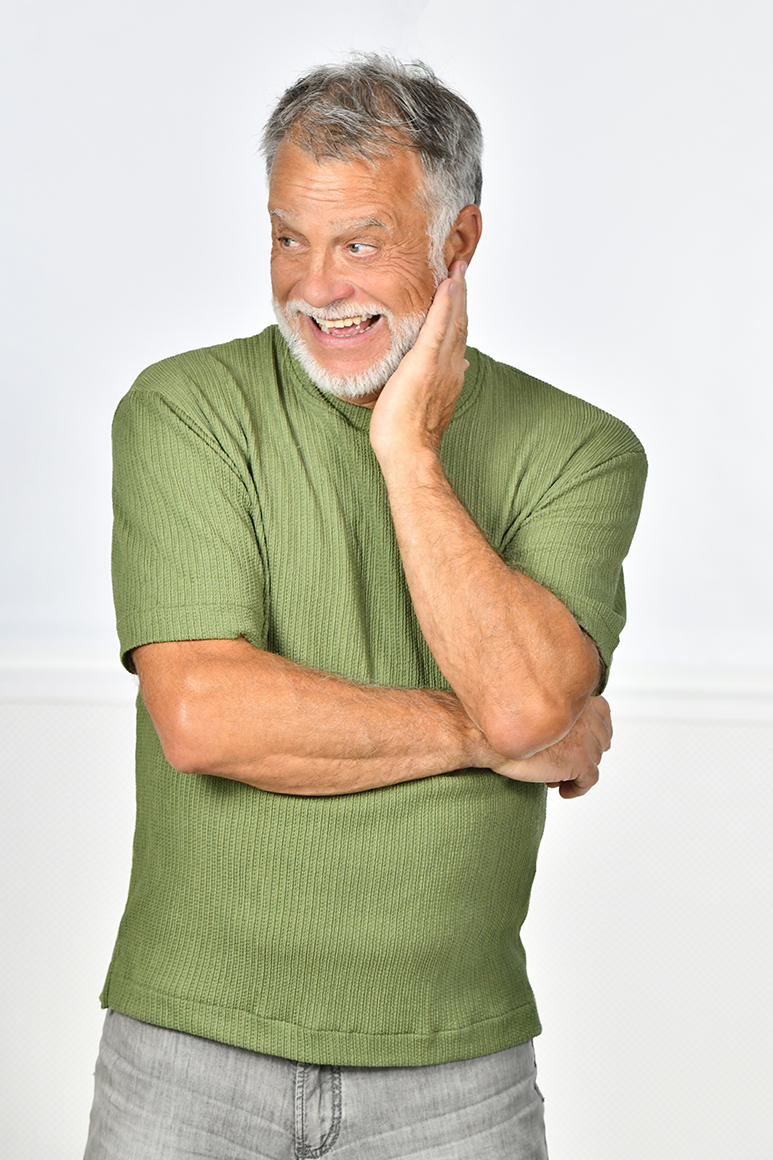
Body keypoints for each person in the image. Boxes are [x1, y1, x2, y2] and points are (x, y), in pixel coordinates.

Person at [84, 55, 646, 1160]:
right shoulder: (186, 409)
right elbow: (203, 715)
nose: (315, 284)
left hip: (458, 1076)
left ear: (458, 242)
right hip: (187, 1054)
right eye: (288, 237)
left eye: (359, 244)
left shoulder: (579, 449)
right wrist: (485, 734)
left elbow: (527, 699)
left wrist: (408, 450)